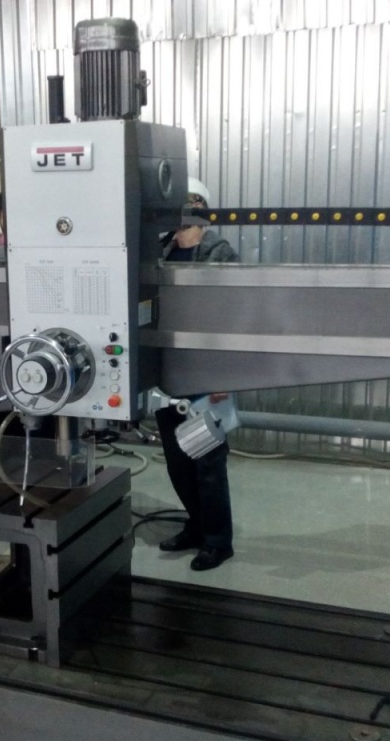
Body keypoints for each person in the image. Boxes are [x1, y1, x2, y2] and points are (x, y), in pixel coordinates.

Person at [156, 177, 239, 571]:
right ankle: (196, 525)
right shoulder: (162, 252)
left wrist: (224, 375)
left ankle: (218, 542)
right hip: (168, 375)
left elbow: (233, 320)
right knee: (178, 462)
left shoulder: (220, 254)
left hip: (204, 377)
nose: (186, 214)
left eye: (193, 206)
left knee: (207, 464)